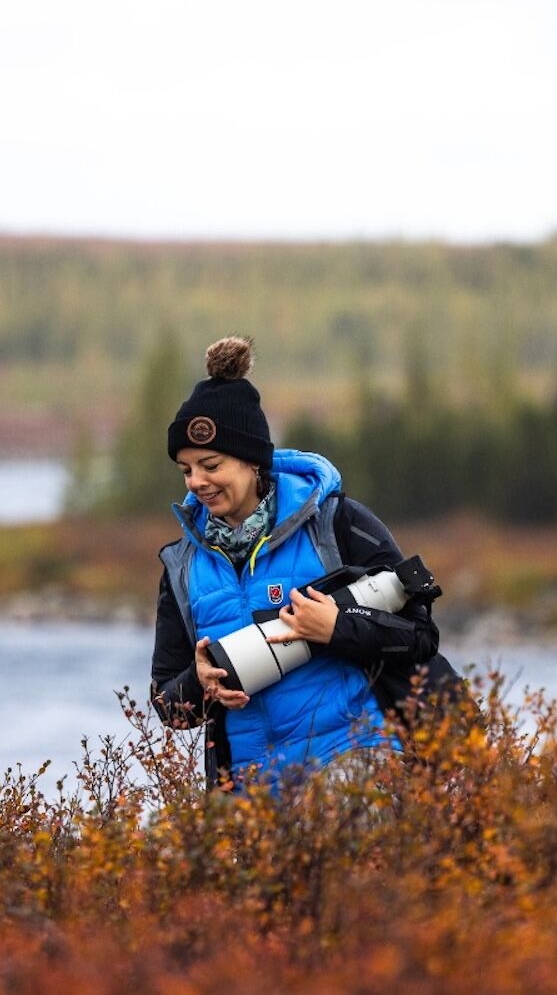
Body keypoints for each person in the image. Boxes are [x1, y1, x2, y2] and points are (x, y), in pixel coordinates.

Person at [150, 336, 457, 793]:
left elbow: (420, 636)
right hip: (249, 793)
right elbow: (168, 707)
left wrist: (337, 627)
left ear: (253, 461)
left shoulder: (336, 523)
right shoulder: (182, 566)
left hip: (358, 760)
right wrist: (199, 684)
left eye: (210, 465)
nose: (197, 483)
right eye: (186, 470)